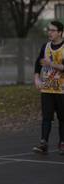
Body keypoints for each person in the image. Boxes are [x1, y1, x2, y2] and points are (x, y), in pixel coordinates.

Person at [33, 20, 64, 155]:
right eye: (48, 30)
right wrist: (36, 78)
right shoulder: (45, 46)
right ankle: (43, 143)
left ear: (60, 32)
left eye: (52, 30)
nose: (49, 33)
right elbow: (37, 64)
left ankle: (62, 143)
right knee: (46, 118)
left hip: (62, 89)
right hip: (47, 89)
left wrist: (51, 64)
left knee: (62, 118)